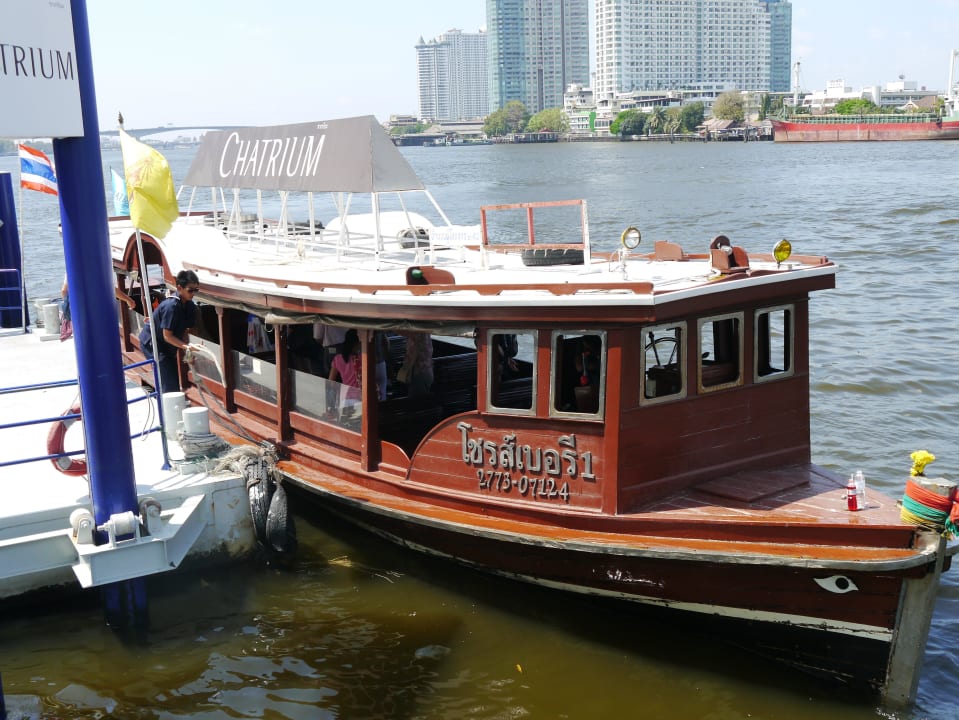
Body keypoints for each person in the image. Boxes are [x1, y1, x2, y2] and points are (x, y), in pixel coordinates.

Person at [138, 270, 200, 395]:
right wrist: (186, 347)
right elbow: (168, 336)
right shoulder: (171, 306)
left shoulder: (190, 307)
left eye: (196, 290)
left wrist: (187, 353)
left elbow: (185, 331)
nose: (193, 293)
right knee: (168, 381)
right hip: (154, 343)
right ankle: (169, 404)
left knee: (171, 376)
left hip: (168, 345)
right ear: (179, 288)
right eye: (190, 290)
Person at [328, 328, 362, 411]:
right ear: (356, 344)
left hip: (344, 397)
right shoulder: (362, 358)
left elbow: (331, 381)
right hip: (360, 397)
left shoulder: (338, 359)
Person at [398, 331, 433, 398]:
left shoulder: (416, 334)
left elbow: (413, 354)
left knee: (417, 401)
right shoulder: (424, 333)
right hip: (426, 371)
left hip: (419, 372)